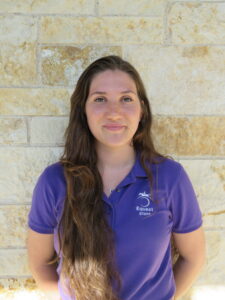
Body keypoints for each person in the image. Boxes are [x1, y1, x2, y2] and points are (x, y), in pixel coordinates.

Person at [27, 55, 205, 300]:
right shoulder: (54, 181)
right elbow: (40, 263)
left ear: (141, 109)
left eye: (126, 99)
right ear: (83, 110)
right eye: (100, 99)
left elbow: (193, 257)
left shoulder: (169, 177)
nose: (114, 112)